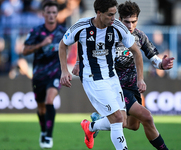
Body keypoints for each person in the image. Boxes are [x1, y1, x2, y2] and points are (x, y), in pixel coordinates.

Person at [73, 1, 174, 150]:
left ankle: (93, 125)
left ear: (137, 20)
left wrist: (161, 64)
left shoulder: (139, 36)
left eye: (133, 22)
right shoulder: (111, 32)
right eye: (126, 21)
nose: (130, 26)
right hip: (115, 85)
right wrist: (78, 61)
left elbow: (151, 56)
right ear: (120, 19)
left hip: (132, 86)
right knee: (147, 117)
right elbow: (88, 45)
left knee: (132, 125)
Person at [58, 0, 146, 149]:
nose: (113, 18)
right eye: (110, 15)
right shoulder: (82, 26)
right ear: (99, 13)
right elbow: (63, 44)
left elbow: (137, 52)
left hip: (112, 77)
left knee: (123, 120)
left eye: (114, 14)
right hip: (92, 78)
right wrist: (65, 70)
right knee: (117, 118)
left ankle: (90, 127)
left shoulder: (117, 27)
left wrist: (141, 79)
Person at [23, 1, 67, 148]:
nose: (51, 15)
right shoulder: (36, 31)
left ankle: (48, 136)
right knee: (41, 107)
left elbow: (75, 46)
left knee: (49, 100)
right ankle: (43, 130)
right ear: (43, 14)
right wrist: (41, 45)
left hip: (55, 73)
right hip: (38, 75)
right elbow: (25, 51)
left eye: (54, 12)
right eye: (48, 12)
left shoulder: (62, 32)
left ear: (57, 14)